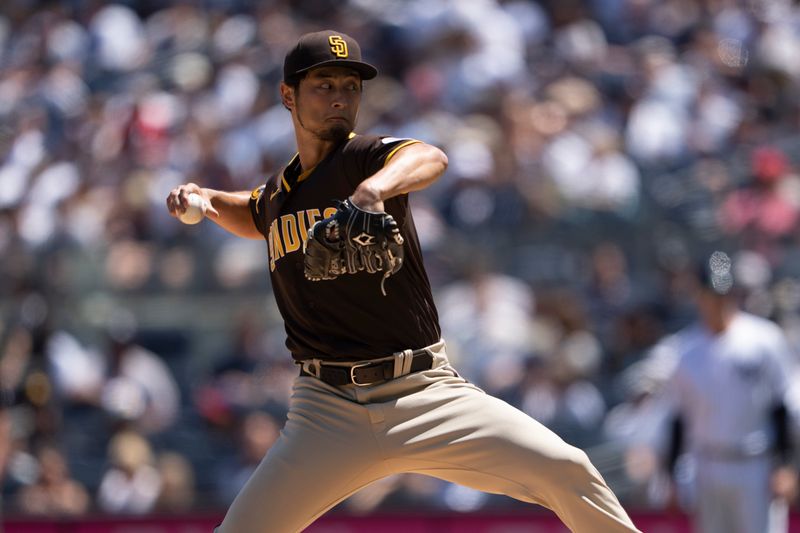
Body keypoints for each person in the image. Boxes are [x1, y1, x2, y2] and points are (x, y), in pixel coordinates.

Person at [166, 29, 640, 533]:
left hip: (421, 393)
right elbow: (253, 212)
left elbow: (430, 157)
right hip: (326, 412)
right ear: (288, 95)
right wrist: (205, 201)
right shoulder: (282, 191)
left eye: (350, 87)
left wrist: (372, 191)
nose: (339, 98)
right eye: (324, 85)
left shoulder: (365, 156)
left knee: (568, 470)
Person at [657, 251, 798, 533]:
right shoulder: (685, 351)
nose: (718, 301)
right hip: (707, 462)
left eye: (723, 293)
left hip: (756, 461)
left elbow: (781, 406)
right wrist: (670, 476)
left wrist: (786, 465)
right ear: (698, 295)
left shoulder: (763, 339)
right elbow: (678, 418)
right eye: (711, 294)